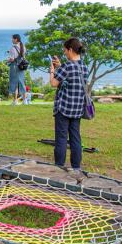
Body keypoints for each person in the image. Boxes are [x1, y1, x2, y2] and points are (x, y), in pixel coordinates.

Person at [49, 38, 88, 171]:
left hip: (64, 108)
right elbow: (72, 78)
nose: (65, 53)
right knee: (75, 138)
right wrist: (60, 66)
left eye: (65, 50)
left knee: (61, 138)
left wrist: (52, 70)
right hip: (77, 109)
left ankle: (59, 166)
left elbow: (54, 83)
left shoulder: (67, 66)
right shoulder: (84, 66)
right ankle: (76, 167)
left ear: (70, 49)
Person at [6, 34, 27, 106]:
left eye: (12, 39)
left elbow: (12, 59)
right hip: (21, 66)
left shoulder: (13, 48)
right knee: (22, 82)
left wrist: (7, 60)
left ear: (16, 39)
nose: (11, 40)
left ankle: (15, 101)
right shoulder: (23, 46)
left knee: (13, 83)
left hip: (14, 66)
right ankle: (25, 100)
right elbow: (23, 56)